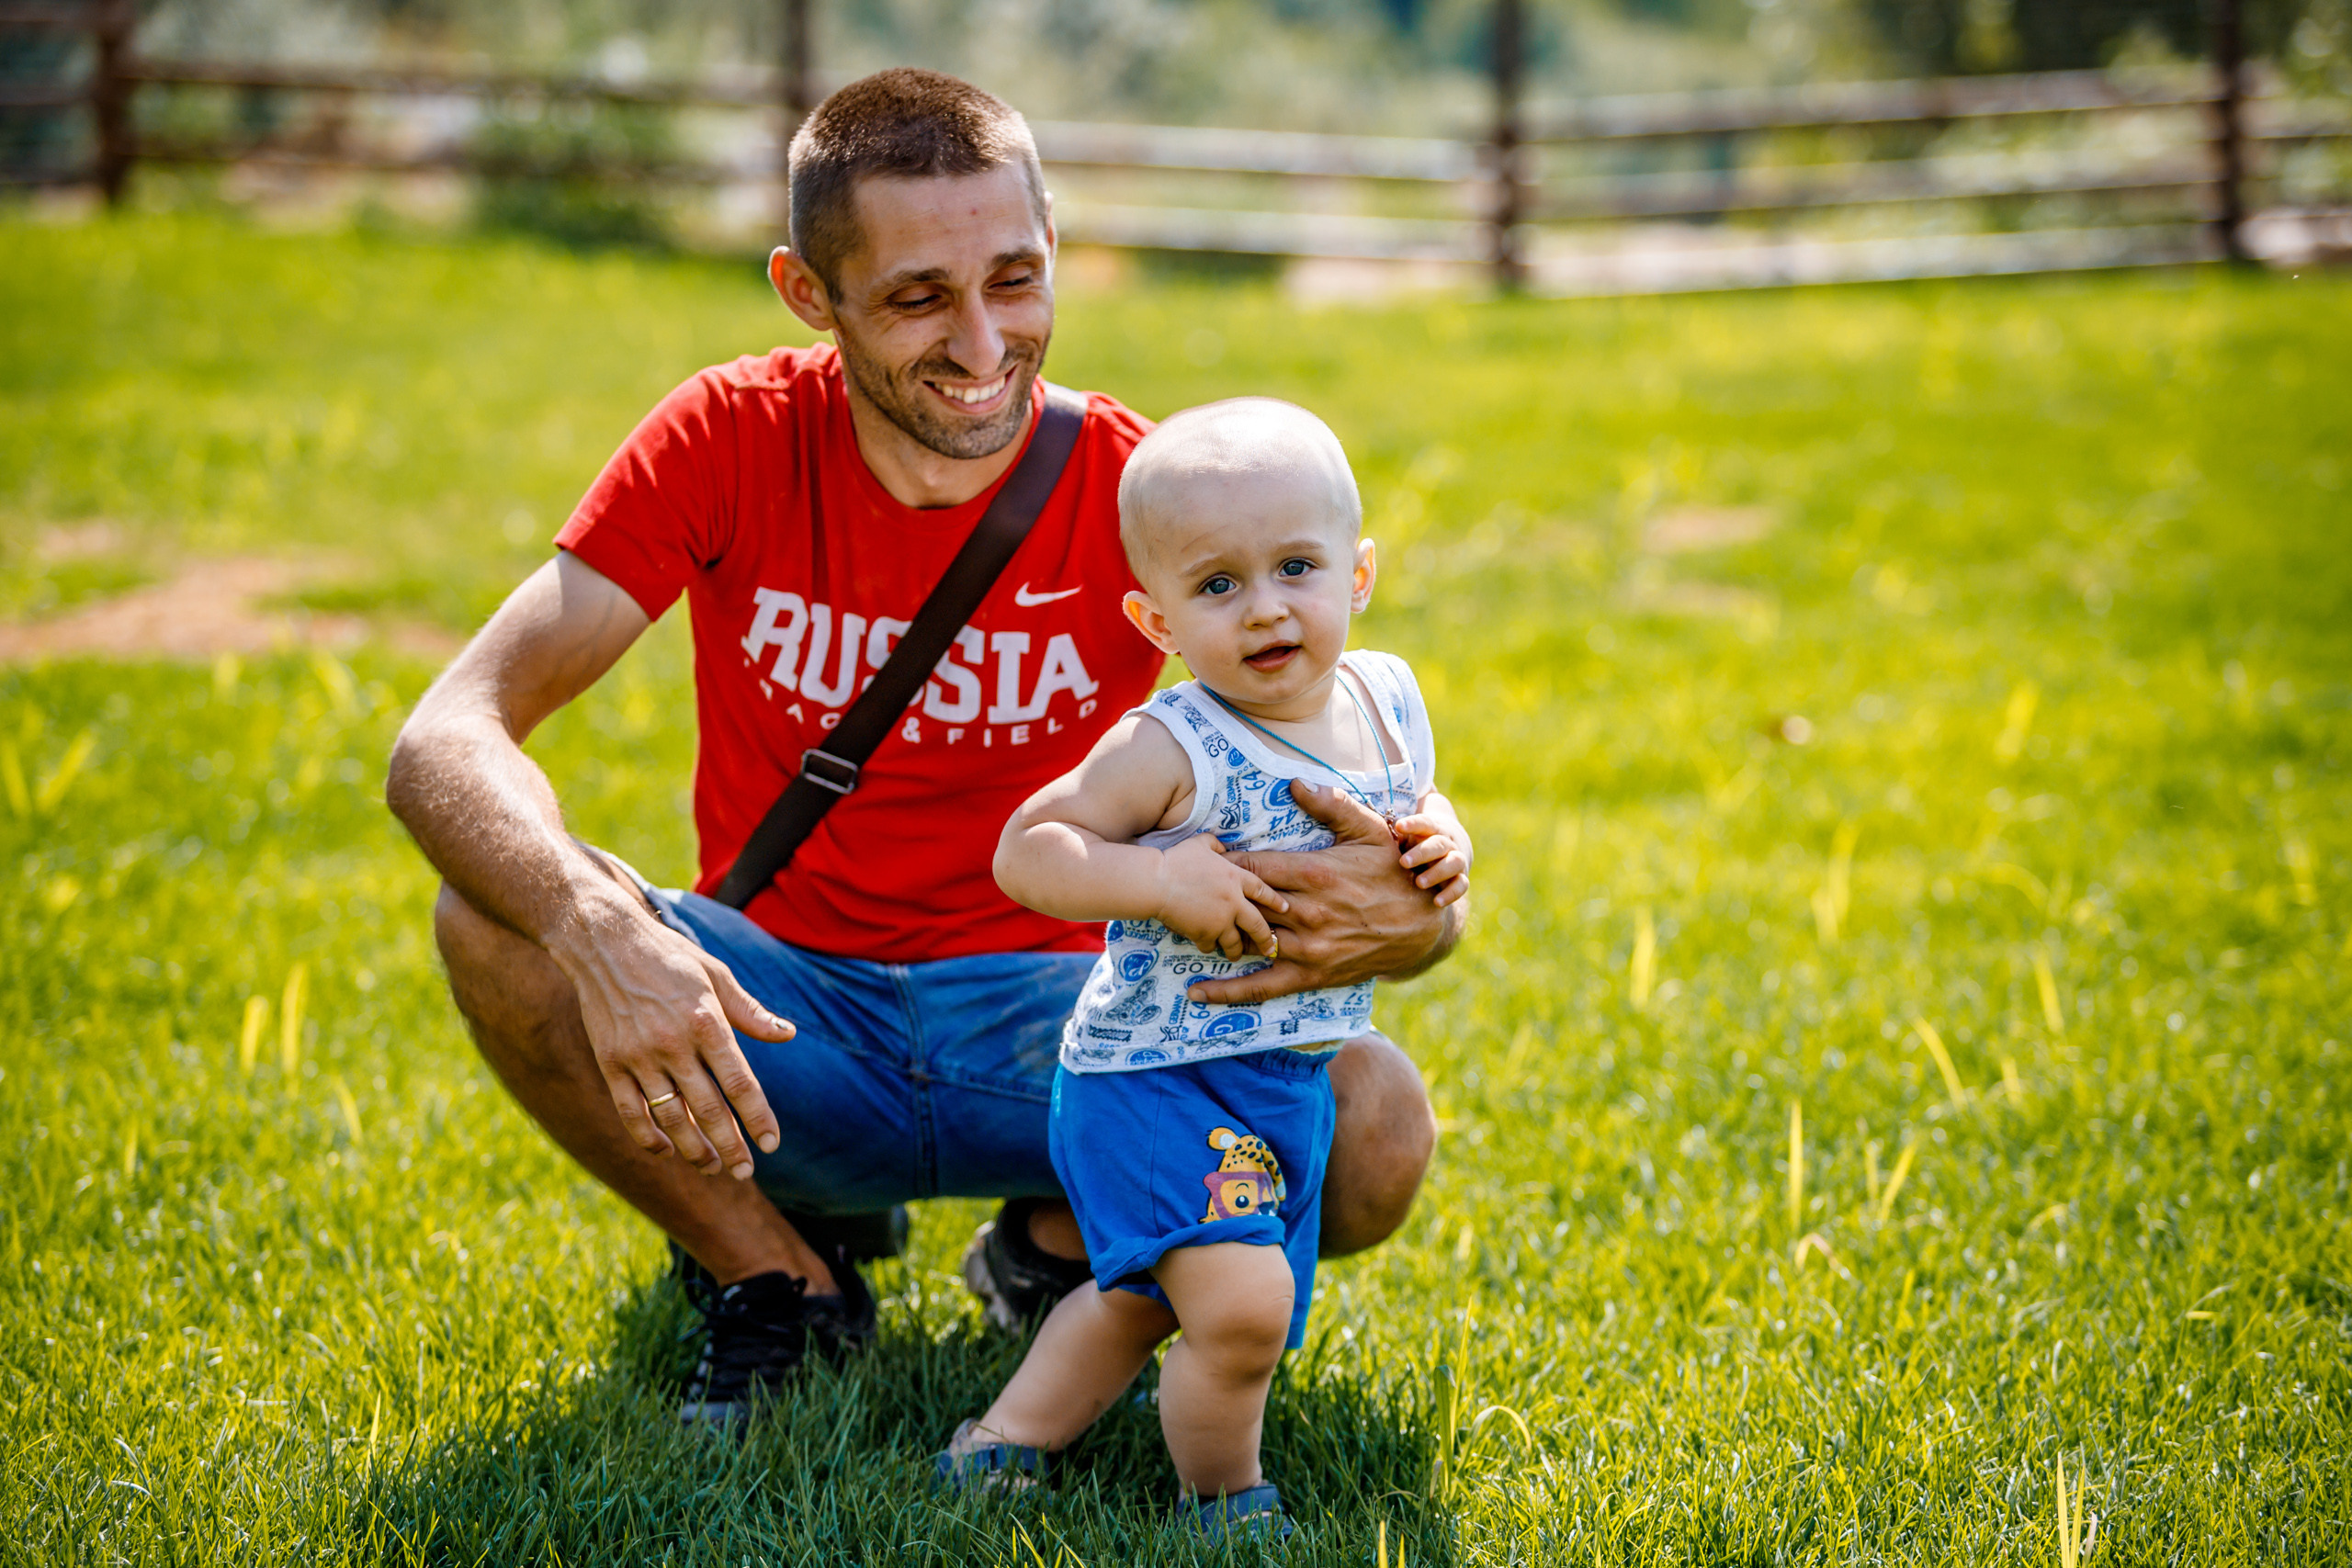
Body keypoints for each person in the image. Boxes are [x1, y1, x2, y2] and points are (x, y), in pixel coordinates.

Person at [384, 67, 1467, 1429]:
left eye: (1015, 278)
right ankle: (777, 1273)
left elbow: (1356, 815)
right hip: (787, 1012)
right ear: (807, 292)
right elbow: (444, 737)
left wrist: (1413, 914)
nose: (980, 340)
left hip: (1079, 1032)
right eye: (916, 296)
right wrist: (599, 922)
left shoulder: (1155, 500)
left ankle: (1056, 1249)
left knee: (1373, 1121)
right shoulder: (727, 437)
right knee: (498, 913)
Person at [933, 399, 1466, 1537]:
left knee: (1140, 1299)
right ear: (1156, 617)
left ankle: (999, 1447)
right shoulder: (1169, 746)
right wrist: (1161, 881)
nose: (1266, 607)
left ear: (1358, 572)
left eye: (1296, 567)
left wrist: (1443, 839)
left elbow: (1414, 802)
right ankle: (1223, 1503)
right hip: (1151, 1081)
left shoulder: (1386, 699)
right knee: (1239, 1306)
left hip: (1285, 1075)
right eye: (1216, 586)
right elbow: (1029, 848)